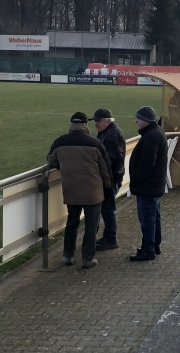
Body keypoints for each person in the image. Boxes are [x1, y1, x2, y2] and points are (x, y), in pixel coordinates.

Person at [47, 112, 112, 269]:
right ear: (86, 125)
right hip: (93, 192)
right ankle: (87, 258)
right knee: (91, 225)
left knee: (72, 223)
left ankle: (68, 256)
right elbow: (105, 168)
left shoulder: (59, 142)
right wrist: (108, 187)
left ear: (71, 124)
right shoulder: (95, 143)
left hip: (71, 190)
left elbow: (51, 160)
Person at [129, 106, 168, 261]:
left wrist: (136, 178)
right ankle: (153, 246)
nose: (136, 121)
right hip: (154, 186)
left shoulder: (151, 136)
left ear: (145, 120)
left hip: (148, 187)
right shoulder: (156, 132)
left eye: (138, 118)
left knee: (147, 220)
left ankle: (148, 250)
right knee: (153, 218)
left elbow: (147, 164)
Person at [91, 108, 125, 251]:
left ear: (107, 120)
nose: (96, 124)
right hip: (111, 177)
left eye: (98, 121)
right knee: (107, 209)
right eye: (95, 121)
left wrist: (95, 161)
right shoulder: (109, 132)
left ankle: (111, 239)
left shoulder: (111, 135)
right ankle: (108, 236)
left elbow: (115, 158)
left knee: (108, 209)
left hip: (111, 178)